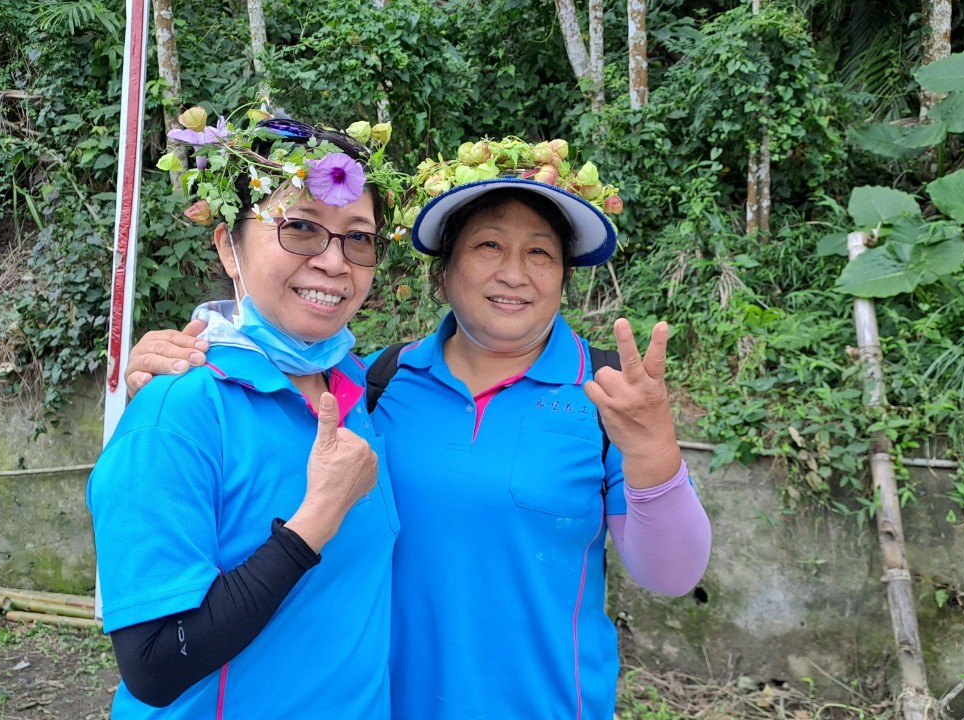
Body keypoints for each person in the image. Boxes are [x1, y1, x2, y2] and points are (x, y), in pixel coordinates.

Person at [126, 136, 712, 719]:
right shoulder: (372, 384)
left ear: (562, 275)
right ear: (445, 268)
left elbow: (671, 574)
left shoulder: (609, 397)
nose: (514, 273)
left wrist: (654, 450)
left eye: (540, 252)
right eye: (488, 245)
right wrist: (180, 365)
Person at [88, 110, 407, 718]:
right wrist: (316, 517)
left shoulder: (361, 388)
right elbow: (153, 666)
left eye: (358, 238)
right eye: (301, 227)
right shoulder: (178, 411)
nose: (335, 262)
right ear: (228, 248)